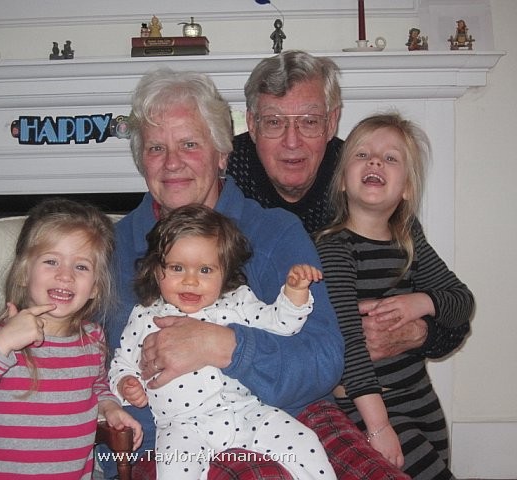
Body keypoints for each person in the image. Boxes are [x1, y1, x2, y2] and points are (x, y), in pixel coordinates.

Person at [0, 68, 406, 480]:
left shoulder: (274, 232)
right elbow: (53, 359)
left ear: (222, 154)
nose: (172, 162)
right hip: (165, 438)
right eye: (156, 148)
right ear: (141, 160)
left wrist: (225, 345)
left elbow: (324, 360)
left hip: (285, 418)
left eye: (189, 144)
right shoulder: (107, 251)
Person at [226, 49, 470, 366]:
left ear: (332, 122)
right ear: (251, 123)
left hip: (353, 378)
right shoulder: (224, 174)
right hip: (249, 363)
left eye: (309, 122)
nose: (291, 141)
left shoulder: (363, 180)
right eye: (274, 122)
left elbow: (455, 322)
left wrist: (414, 333)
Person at [110, 204, 333, 480]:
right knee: (173, 471)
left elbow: (279, 324)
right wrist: (126, 384)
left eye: (205, 270)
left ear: (225, 272)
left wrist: (294, 293)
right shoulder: (146, 316)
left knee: (303, 443)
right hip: (181, 427)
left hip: (246, 412)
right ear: (156, 271)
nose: (191, 281)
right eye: (177, 268)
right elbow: (122, 363)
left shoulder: (237, 301)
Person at [315, 112, 474, 479]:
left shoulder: (408, 239)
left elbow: (461, 301)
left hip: (421, 397)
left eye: (390, 158)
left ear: (406, 189)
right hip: (366, 405)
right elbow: (348, 343)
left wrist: (421, 302)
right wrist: (378, 425)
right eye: (362, 154)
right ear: (342, 181)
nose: (375, 161)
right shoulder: (333, 247)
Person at [0, 198, 142, 479]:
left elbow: (96, 387)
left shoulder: (93, 339)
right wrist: (2, 343)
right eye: (51, 261)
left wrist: (110, 407)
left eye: (81, 267)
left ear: (95, 287)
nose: (65, 275)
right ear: (24, 273)